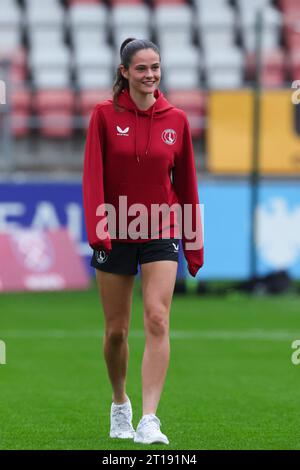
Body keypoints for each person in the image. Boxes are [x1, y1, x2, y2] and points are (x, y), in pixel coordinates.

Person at [82, 38, 204, 445]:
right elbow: (92, 177)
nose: (150, 75)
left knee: (157, 317)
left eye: (155, 67)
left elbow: (186, 184)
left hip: (162, 228)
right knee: (116, 331)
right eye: (141, 69)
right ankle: (120, 404)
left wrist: (193, 243)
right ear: (124, 72)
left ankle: (149, 420)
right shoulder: (103, 115)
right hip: (115, 228)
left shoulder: (178, 120)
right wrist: (98, 229)